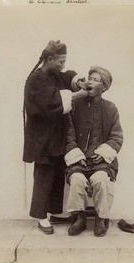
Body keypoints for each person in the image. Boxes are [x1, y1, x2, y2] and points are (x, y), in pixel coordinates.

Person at [23, 40, 87, 234]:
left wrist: (78, 81)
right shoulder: (36, 80)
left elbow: (68, 77)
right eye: (60, 61)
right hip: (41, 138)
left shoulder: (53, 74)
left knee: (57, 173)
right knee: (44, 175)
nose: (63, 66)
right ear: (49, 59)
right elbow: (50, 102)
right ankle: (41, 218)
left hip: (55, 136)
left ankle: (53, 213)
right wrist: (80, 95)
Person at [64, 66, 123, 237]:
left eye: (95, 79)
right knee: (76, 179)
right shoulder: (74, 105)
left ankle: (100, 218)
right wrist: (76, 156)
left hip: (102, 162)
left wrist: (102, 154)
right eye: (89, 78)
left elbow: (117, 137)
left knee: (100, 179)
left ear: (103, 87)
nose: (90, 81)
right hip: (79, 160)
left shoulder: (111, 108)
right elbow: (69, 134)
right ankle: (78, 217)